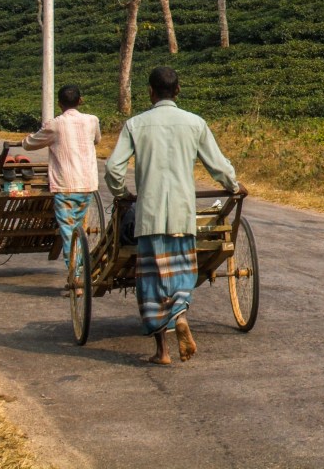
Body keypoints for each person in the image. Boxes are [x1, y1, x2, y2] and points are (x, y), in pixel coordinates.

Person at [104, 66, 245, 365]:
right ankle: (180, 313)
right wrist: (233, 185)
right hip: (183, 214)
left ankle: (162, 351)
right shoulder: (195, 123)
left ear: (150, 92)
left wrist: (121, 193)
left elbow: (113, 167)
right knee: (181, 273)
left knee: (153, 279)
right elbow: (217, 164)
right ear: (178, 90)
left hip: (150, 217)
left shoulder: (135, 124)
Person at [21, 84, 101, 284]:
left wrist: (23, 141)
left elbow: (30, 144)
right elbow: (97, 140)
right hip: (87, 185)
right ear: (80, 101)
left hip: (65, 187)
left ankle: (76, 276)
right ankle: (80, 266)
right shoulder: (92, 120)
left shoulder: (55, 125)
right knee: (78, 227)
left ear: (59, 103)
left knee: (68, 232)